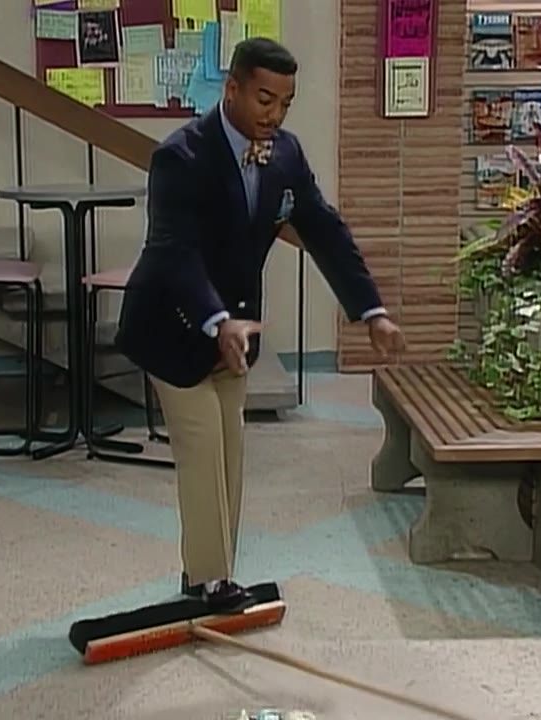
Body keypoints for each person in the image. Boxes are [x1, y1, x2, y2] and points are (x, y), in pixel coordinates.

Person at [115, 37, 406, 613]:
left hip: (235, 338)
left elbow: (324, 230)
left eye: (285, 103)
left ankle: (211, 573)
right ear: (232, 89)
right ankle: (210, 583)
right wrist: (216, 320)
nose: (274, 115)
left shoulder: (285, 154)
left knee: (229, 455)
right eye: (264, 100)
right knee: (202, 453)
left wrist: (371, 311)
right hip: (172, 324)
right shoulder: (181, 157)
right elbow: (175, 251)